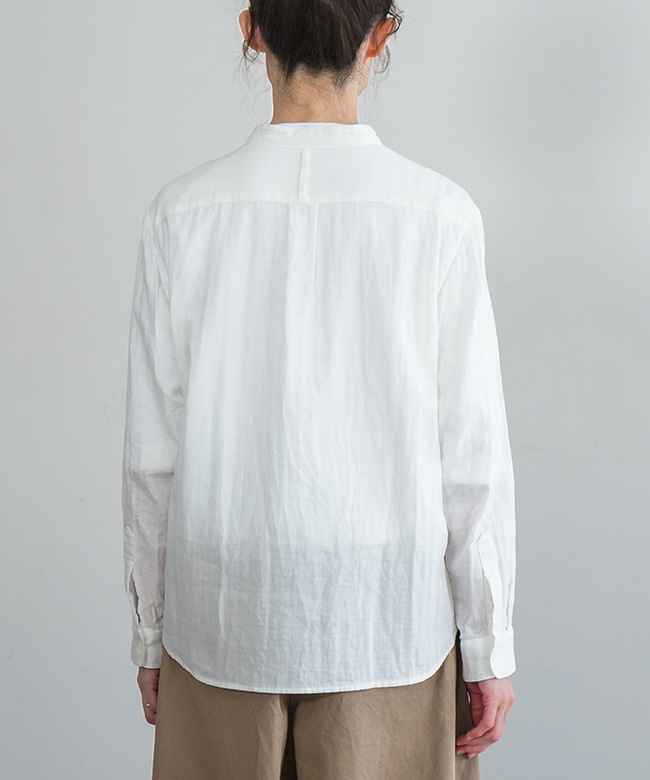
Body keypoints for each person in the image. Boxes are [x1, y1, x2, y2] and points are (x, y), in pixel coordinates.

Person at [121, 1, 517, 777]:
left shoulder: (181, 215)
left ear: (250, 30)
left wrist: (149, 634)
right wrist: (489, 646)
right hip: (386, 614)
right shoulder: (439, 216)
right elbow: (471, 455)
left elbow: (150, 458)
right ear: (380, 36)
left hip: (222, 608)